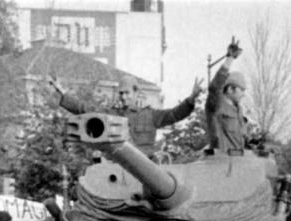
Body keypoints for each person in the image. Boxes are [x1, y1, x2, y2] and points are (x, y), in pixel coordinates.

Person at [53, 74, 202, 158]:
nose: (123, 97)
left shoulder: (150, 115)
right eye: (121, 93)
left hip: (147, 168)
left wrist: (191, 99)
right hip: (117, 168)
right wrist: (62, 96)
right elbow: (85, 109)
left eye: (127, 93)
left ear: (136, 93)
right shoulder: (111, 114)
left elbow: (174, 114)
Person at [206, 37, 248, 153]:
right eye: (242, 90)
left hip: (239, 165)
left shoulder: (239, 110)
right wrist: (229, 59)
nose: (244, 95)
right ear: (230, 89)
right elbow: (215, 87)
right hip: (221, 165)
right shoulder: (217, 105)